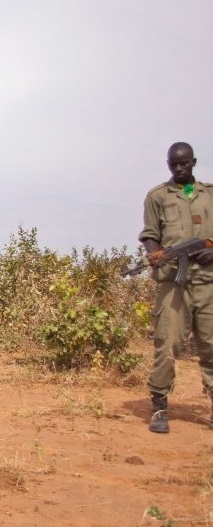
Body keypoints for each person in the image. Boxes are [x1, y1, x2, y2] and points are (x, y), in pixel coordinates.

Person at [140, 142, 213, 432]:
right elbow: (149, 235)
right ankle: (159, 407)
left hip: (208, 281)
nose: (179, 168)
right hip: (174, 282)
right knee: (167, 343)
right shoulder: (157, 196)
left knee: (211, 345)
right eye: (174, 164)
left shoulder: (209, 194)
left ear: (193, 162)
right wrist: (155, 252)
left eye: (184, 163)